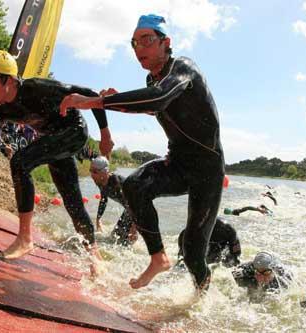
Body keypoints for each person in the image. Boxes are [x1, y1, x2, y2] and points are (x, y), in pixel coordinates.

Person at [60, 14, 225, 291]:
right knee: (134, 186)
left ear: (165, 42)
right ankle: (158, 257)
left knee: (194, 250)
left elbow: (159, 97)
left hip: (207, 172)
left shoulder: (184, 68)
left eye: (147, 40)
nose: (139, 49)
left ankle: (202, 293)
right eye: (134, 43)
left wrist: (96, 101)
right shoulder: (152, 79)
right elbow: (155, 106)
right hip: (178, 163)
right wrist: (117, 98)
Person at [0, 50, 114, 274]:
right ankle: (96, 259)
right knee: (72, 202)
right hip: (53, 140)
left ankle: (24, 238)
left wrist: (105, 134)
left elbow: (88, 93)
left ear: (9, 80)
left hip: (74, 131)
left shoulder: (36, 89)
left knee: (20, 161)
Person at [89, 156, 138, 246]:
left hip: (140, 207)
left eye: (95, 172)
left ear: (105, 171)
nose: (92, 175)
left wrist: (134, 228)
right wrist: (98, 219)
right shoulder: (101, 181)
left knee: (124, 242)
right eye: (90, 171)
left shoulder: (116, 183)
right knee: (114, 238)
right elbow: (103, 200)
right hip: (130, 209)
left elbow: (134, 203)